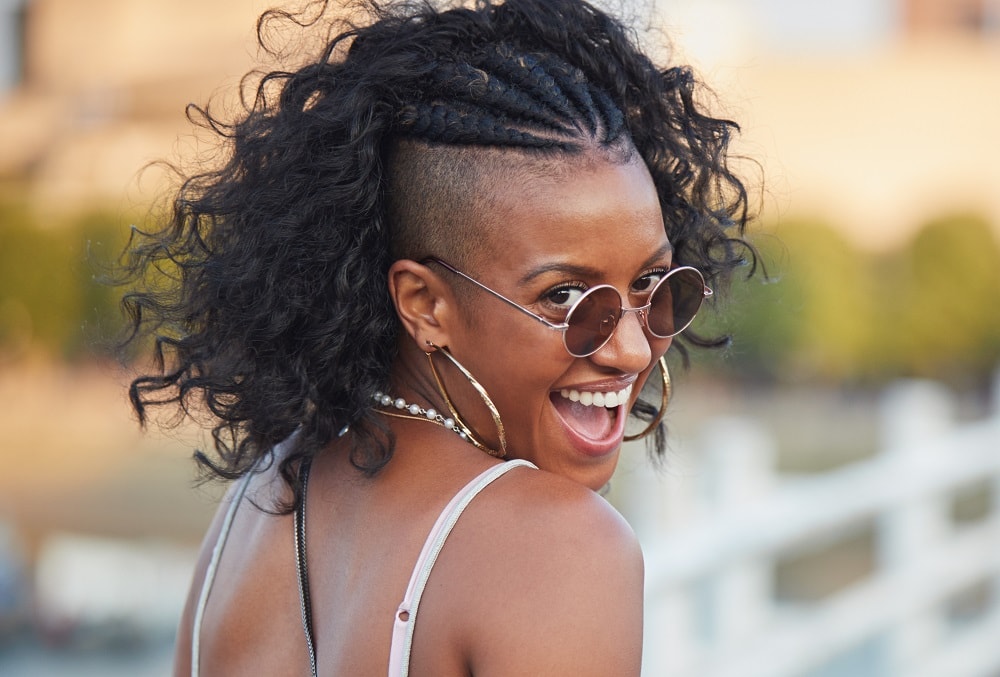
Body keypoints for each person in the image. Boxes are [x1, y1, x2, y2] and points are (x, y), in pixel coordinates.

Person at [119, 0, 754, 674]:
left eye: (653, 285)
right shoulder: (558, 548)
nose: (629, 348)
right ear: (424, 304)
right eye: (566, 296)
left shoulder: (252, 507)